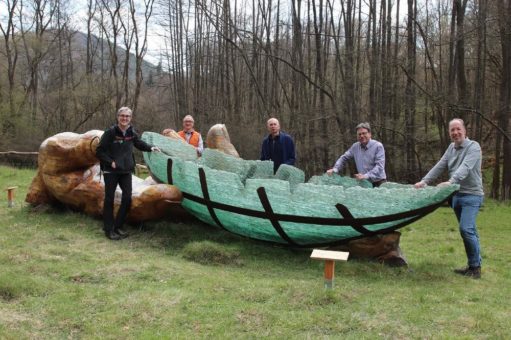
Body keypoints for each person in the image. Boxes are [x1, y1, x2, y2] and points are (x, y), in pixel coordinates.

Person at [414, 118, 484, 279]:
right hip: (456, 196)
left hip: (472, 195)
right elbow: (440, 165)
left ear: (464, 130)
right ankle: (473, 265)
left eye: (458, 129)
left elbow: (465, 168)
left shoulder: (474, 147)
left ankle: (475, 268)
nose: (455, 133)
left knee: (466, 229)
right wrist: (424, 181)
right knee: (470, 230)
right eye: (452, 130)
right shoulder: (451, 148)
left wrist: (451, 181)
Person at [96, 107, 161, 240]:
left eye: (127, 116)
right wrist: (110, 162)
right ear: (118, 117)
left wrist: (151, 148)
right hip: (111, 171)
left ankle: (118, 226)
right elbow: (99, 151)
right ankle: (108, 229)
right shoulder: (110, 132)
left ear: (130, 118)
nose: (125, 118)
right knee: (109, 199)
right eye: (122, 116)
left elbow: (138, 143)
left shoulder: (131, 132)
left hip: (126, 170)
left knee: (127, 198)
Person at [326, 122, 386, 187]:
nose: (361, 136)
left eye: (364, 133)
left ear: (370, 134)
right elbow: (344, 157)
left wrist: (365, 176)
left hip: (379, 183)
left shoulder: (378, 146)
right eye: (359, 134)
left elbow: (380, 167)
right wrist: (335, 169)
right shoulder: (355, 146)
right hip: (364, 183)